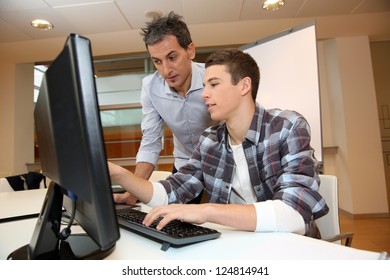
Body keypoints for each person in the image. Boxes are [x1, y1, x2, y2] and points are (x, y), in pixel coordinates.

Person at [109, 48, 329, 238]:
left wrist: (207, 211)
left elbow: (294, 214)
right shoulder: (209, 140)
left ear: (244, 86)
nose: (204, 94)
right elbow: (170, 193)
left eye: (213, 84)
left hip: (289, 250)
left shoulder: (287, 127)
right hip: (237, 245)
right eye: (204, 85)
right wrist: (117, 173)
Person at [113, 12, 215, 205]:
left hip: (221, 164)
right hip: (185, 165)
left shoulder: (213, 78)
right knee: (176, 225)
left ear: (190, 50)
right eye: (157, 61)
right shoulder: (150, 87)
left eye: (172, 57)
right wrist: (133, 191)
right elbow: (151, 141)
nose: (166, 70)